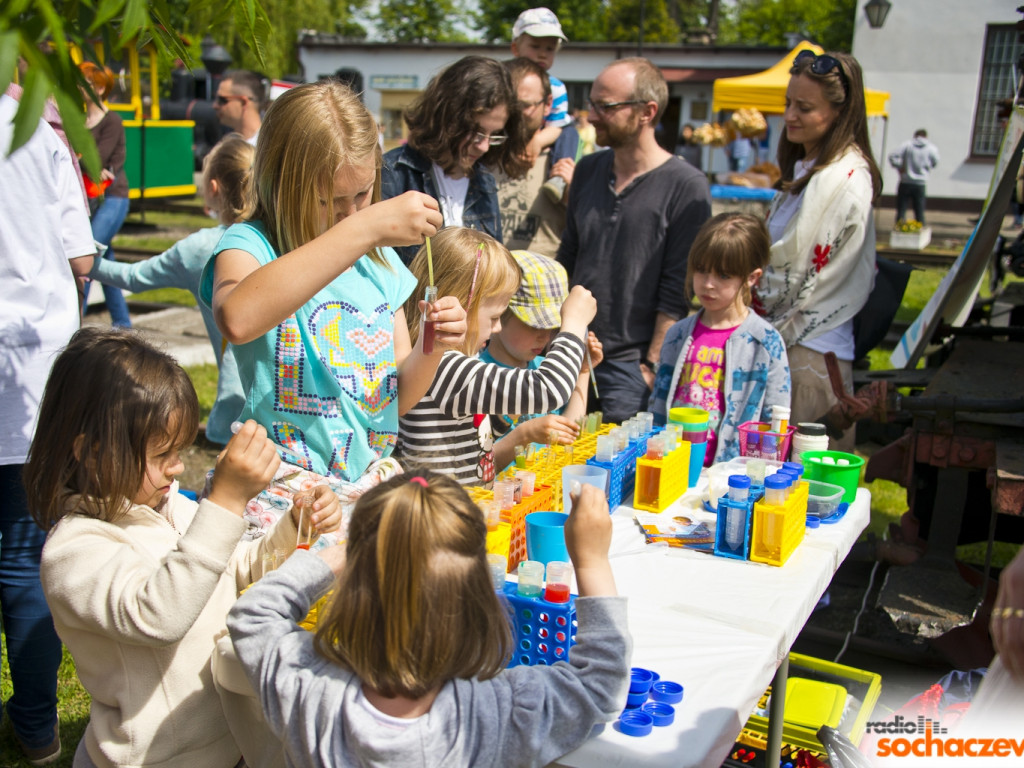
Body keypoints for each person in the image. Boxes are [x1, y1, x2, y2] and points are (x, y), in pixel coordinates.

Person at [23, 327, 342, 768]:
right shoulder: (75, 551)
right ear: (92, 453)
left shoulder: (171, 505)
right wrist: (226, 502)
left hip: (229, 742)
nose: (177, 468)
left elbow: (236, 571)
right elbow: (159, 615)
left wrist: (293, 526)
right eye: (161, 455)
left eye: (180, 451)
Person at [226, 471, 630, 767]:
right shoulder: (499, 710)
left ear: (352, 590)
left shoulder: (308, 687)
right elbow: (601, 685)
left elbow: (253, 615)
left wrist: (344, 554)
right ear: (480, 602)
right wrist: (592, 561)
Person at [203, 81, 467, 483]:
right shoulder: (251, 244)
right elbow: (237, 318)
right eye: (328, 200)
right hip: (280, 484)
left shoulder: (381, 265)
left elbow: (394, 401)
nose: (350, 214)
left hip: (364, 482)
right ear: (282, 182)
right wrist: (366, 227)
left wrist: (434, 345)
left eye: (362, 196)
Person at [0, 88, 95, 768]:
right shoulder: (35, 128)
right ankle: (36, 729)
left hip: (30, 370)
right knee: (24, 556)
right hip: (32, 371)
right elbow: (81, 256)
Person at [557, 57, 711, 424]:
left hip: (629, 368)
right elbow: (568, 258)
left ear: (647, 112)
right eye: (592, 104)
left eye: (605, 106)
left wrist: (651, 365)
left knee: (617, 478)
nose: (591, 116)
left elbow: (679, 286)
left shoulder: (686, 187)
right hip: (570, 354)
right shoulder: (589, 170)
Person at [395, 228, 595, 486]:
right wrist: (575, 323)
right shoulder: (445, 367)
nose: (498, 327)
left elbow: (473, 432)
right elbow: (549, 390)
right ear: (462, 307)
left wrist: (505, 413)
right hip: (448, 516)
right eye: (494, 317)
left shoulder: (444, 365)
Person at [753, 49, 882, 452]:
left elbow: (789, 277)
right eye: (788, 103)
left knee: (793, 497)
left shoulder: (841, 179)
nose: (790, 115)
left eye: (804, 107)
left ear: (840, 114)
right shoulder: (812, 170)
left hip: (809, 360)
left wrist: (739, 283)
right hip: (790, 351)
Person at [89, 135, 253, 445]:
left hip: (237, 409)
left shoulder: (199, 249)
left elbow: (133, 277)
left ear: (213, 188)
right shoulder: (276, 237)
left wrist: (88, 261)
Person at [649, 213, 790, 465]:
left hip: (731, 477)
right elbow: (658, 405)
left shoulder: (766, 343)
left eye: (724, 275)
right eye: (701, 271)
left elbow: (775, 423)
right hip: (672, 467)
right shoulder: (677, 334)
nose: (708, 284)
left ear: (751, 277)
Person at [380, 55, 528, 264]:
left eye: (494, 135)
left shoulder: (484, 181)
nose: (484, 146)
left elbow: (495, 270)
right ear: (447, 117)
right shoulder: (393, 173)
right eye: (476, 133)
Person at [479, 249, 603, 470]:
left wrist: (583, 372)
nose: (544, 336)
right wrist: (523, 435)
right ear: (500, 313)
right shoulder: (479, 375)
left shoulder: (544, 367)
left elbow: (569, 430)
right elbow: (475, 465)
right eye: (535, 324)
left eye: (551, 326)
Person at [492, 57, 579, 258]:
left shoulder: (568, 158)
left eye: (524, 105)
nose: (514, 114)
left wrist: (574, 195)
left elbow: (590, 233)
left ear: (548, 104)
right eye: (508, 104)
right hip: (486, 284)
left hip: (545, 286)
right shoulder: (479, 152)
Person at [80, 61, 132, 328]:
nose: (77, 87)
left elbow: (94, 158)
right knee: (104, 264)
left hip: (113, 198)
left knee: (87, 256)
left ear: (100, 88)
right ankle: (123, 325)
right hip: (89, 199)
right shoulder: (78, 120)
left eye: (83, 83)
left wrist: (83, 160)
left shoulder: (111, 120)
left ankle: (74, 322)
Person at [510, 7, 575, 203]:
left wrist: (537, 142)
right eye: (535, 46)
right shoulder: (502, 80)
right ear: (516, 48)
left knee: (570, 131)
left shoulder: (556, 88)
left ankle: (557, 178)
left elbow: (556, 126)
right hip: (509, 136)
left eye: (549, 49)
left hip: (541, 137)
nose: (542, 55)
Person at [888, 128, 939, 225]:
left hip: (905, 181)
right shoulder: (931, 148)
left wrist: (900, 165)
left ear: (915, 136)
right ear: (926, 136)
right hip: (920, 182)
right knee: (919, 210)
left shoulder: (907, 145)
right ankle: (920, 229)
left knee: (901, 209)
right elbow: (936, 161)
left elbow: (892, 156)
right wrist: (927, 167)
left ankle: (899, 227)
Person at [213, 69, 266, 145]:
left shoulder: (267, 146)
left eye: (222, 100)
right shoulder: (226, 145)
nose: (215, 106)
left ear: (244, 103)